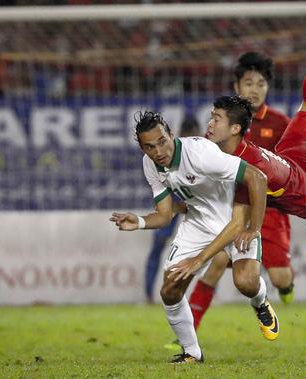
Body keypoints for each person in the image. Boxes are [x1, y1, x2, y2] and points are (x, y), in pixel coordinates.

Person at [171, 1, 306, 350]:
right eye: (211, 117)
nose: (210, 124)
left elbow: (240, 214)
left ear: (236, 129)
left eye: (216, 120)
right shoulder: (236, 149)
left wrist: (204, 253)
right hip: (295, 150)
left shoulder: (243, 169)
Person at [110, 110, 275, 364]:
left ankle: (260, 302)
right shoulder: (150, 164)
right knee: (170, 290)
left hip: (235, 218)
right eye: (149, 147)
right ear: (142, 148)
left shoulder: (201, 153)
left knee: (246, 283)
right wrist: (141, 221)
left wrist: (254, 227)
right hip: (197, 223)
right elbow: (165, 215)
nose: (158, 151)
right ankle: (192, 352)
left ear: (171, 135)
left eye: (162, 141)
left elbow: (257, 177)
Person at [187, 51, 294, 337]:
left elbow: (290, 168)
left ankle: (285, 287)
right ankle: (187, 333)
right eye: (248, 83)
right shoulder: (223, 122)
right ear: (237, 86)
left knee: (280, 276)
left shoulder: (281, 123)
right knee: (217, 264)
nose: (255, 89)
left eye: (261, 84)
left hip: (269, 208)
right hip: (231, 208)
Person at [143, 116, 200, 304]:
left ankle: (205, 293)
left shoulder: (201, 153)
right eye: (188, 134)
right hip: (174, 203)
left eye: (194, 134)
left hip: (196, 207)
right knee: (158, 245)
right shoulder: (165, 154)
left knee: (205, 249)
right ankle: (148, 294)